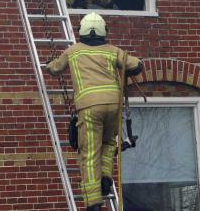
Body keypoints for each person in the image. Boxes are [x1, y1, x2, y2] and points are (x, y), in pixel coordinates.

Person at [47, 12, 143, 211]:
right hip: (113, 105)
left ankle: (93, 203)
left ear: (81, 31)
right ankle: (105, 178)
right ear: (103, 31)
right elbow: (136, 65)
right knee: (108, 142)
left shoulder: (73, 51)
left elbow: (55, 68)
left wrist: (49, 65)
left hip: (90, 107)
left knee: (90, 154)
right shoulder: (112, 51)